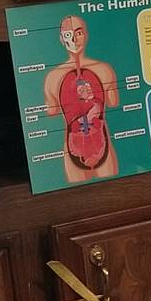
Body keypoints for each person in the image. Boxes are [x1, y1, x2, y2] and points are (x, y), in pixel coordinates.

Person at [41, 14, 119, 185]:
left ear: (86, 34)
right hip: (75, 147)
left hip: (98, 144)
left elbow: (51, 111)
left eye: (79, 32)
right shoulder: (104, 69)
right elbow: (114, 102)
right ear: (62, 39)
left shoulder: (52, 77)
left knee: (109, 191)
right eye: (69, 34)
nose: (75, 39)